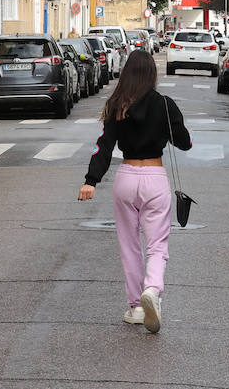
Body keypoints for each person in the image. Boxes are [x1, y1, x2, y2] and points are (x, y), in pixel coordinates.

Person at [78, 49, 192, 333]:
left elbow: (103, 146)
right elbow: (184, 142)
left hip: (126, 178)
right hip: (154, 177)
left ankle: (136, 307)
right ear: (152, 74)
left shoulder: (117, 105)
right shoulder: (164, 104)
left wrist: (91, 180)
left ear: (127, 74)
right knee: (157, 244)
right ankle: (152, 289)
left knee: (129, 245)